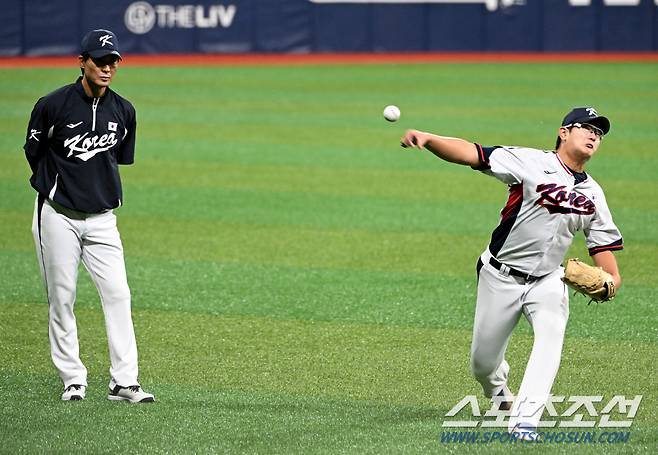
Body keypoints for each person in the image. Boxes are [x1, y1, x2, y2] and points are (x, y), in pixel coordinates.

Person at [400, 107, 622, 440]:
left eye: (599, 133)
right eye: (586, 128)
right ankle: (499, 392)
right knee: (483, 364)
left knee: (550, 337)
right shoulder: (529, 162)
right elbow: (473, 154)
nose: (593, 135)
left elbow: (604, 254)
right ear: (564, 132)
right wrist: (430, 139)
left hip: (549, 281)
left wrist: (610, 282)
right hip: (499, 276)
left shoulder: (594, 194)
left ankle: (525, 420)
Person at [24, 29, 154, 403]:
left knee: (119, 294)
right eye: (100, 60)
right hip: (57, 215)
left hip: (102, 219)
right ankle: (73, 378)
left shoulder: (124, 110)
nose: (108, 67)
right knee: (62, 296)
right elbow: (34, 152)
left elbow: (116, 160)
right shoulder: (53, 104)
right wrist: (55, 188)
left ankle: (123, 382)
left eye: (113, 61)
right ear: (82, 62)